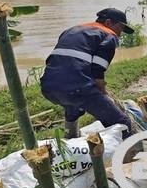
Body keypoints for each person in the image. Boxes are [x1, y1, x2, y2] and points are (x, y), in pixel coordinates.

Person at [40, 8, 134, 139]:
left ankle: (70, 138)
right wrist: (105, 95)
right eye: (120, 28)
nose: (120, 34)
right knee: (122, 123)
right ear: (108, 22)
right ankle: (131, 154)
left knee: (74, 107)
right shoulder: (109, 35)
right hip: (76, 88)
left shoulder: (72, 30)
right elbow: (97, 72)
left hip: (49, 87)